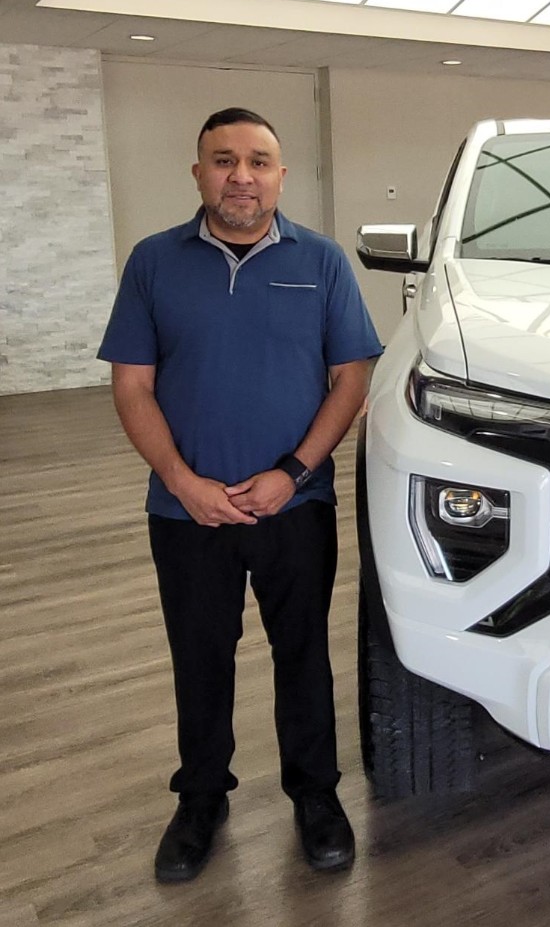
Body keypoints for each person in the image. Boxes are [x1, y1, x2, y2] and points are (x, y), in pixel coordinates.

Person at [97, 107, 383, 882]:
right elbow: (132, 386)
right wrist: (185, 484)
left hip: (294, 506)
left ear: (281, 176)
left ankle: (316, 795)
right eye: (223, 161)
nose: (242, 176)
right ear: (198, 174)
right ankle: (200, 799)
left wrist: (292, 471)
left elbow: (351, 378)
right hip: (186, 512)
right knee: (199, 657)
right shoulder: (154, 263)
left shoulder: (321, 262)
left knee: (303, 654)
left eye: (258, 161)